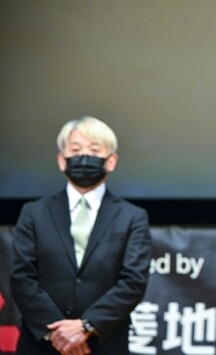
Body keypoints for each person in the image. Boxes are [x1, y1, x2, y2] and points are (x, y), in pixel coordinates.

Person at [10, 116, 152, 354]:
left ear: (111, 161)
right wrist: (58, 334)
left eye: (94, 150)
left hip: (104, 344)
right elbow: (21, 277)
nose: (84, 157)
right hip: (42, 344)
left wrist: (86, 327)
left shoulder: (132, 217)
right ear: (61, 160)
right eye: (76, 150)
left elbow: (133, 282)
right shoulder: (34, 213)